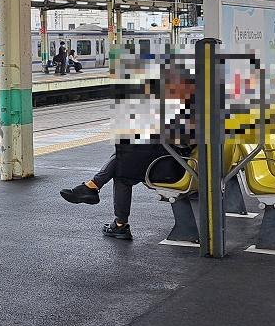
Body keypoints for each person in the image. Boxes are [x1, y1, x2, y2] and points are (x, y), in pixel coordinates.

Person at [59, 66, 196, 240]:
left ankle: (108, 208)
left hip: (174, 166)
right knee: (126, 153)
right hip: (177, 161)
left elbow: (179, 140)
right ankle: (95, 191)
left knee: (123, 170)